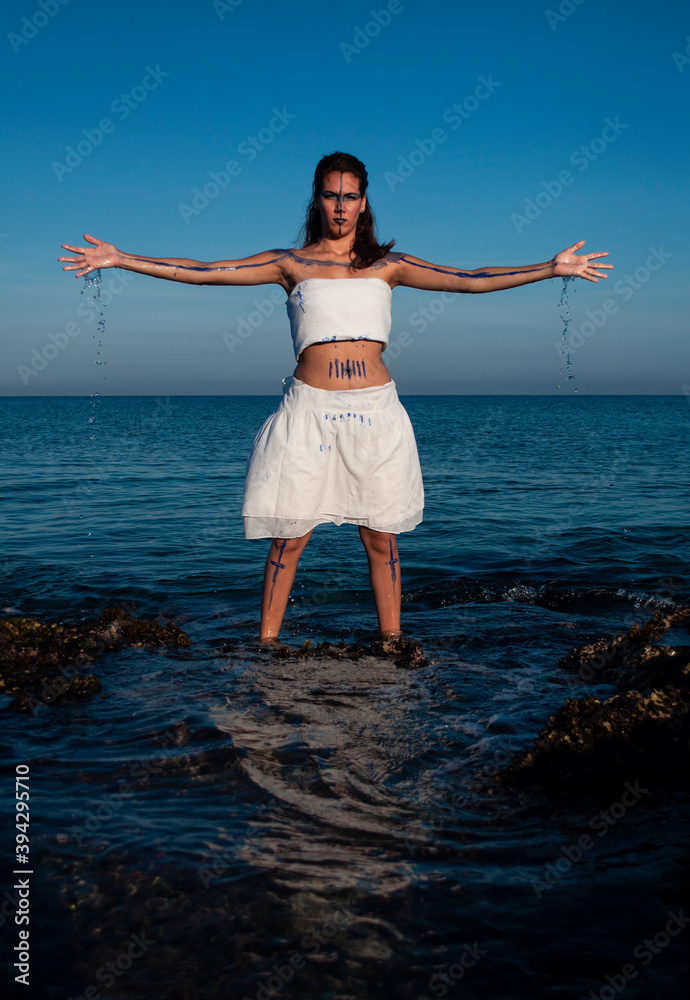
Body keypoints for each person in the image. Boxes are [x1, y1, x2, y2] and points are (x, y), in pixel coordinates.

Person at [59, 151, 612, 642]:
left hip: (376, 413)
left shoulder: (388, 266)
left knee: (381, 537)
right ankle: (266, 646)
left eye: (350, 197)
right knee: (289, 536)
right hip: (308, 411)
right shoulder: (290, 264)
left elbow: (469, 278)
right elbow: (206, 272)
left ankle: (392, 643)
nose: (341, 206)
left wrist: (549, 269)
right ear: (318, 200)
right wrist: (123, 258)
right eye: (331, 195)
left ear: (364, 202)